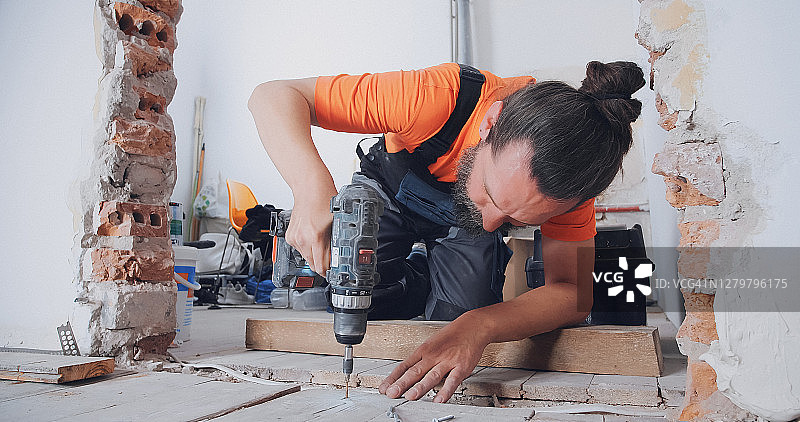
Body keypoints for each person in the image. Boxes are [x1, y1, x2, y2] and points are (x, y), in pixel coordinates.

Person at [248, 61, 646, 403]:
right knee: (354, 289)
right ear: (491, 123)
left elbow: (570, 293)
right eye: (490, 194)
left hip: (457, 223)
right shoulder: (434, 97)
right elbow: (273, 95)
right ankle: (412, 271)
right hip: (390, 193)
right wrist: (310, 189)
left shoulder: (572, 184)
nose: (492, 224)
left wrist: (480, 325)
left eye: (514, 221)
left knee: (454, 319)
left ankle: (427, 274)